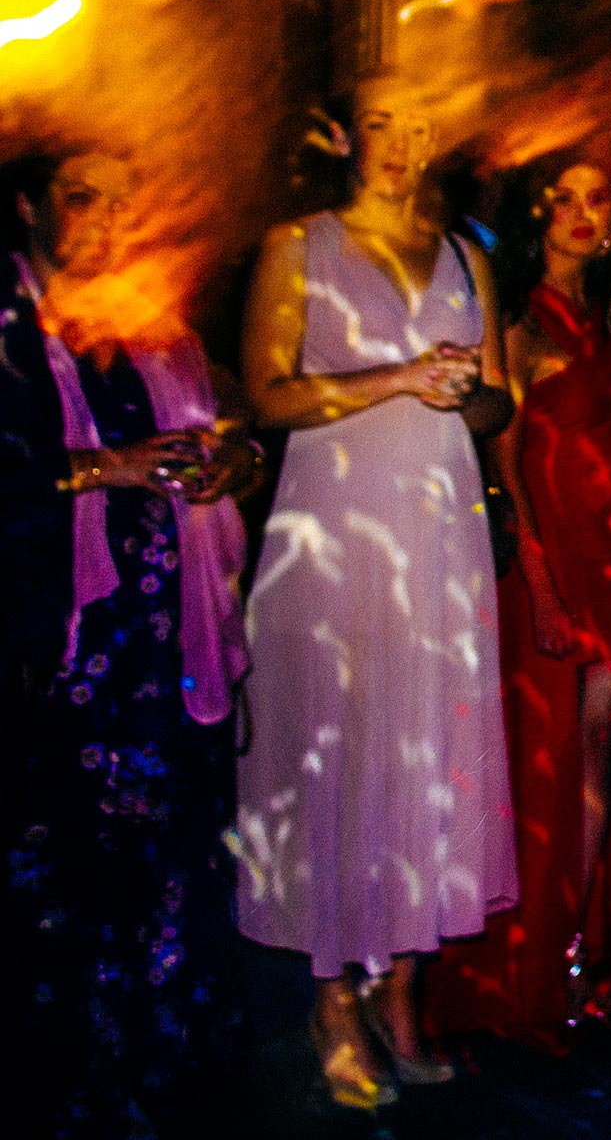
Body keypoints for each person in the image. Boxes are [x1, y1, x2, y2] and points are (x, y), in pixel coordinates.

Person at [229, 82, 517, 1109]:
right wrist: (398, 376)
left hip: (439, 537)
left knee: (425, 750)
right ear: (348, 137)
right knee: (340, 747)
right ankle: (330, 997)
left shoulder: (464, 252)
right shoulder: (296, 244)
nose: (403, 145)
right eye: (383, 125)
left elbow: (497, 402)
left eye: (420, 125)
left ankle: (401, 987)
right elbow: (264, 394)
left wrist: (461, 388)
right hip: (335, 539)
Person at [1, 151, 261, 1137]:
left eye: (123, 198)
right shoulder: (16, 334)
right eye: (81, 196)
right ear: (29, 207)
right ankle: (68, 1094)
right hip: (60, 655)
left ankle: (169, 1083)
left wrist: (234, 455)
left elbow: (236, 423)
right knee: (66, 880)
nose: (107, 217)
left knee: (176, 864)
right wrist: (107, 467)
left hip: (167, 652)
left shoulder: (153, 319)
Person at [428, 158, 611, 1047]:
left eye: (596, 198)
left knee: (605, 751)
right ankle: (541, 956)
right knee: (553, 758)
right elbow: (506, 458)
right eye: (560, 199)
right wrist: (535, 577)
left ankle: (584, 940)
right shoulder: (519, 318)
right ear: (537, 216)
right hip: (554, 550)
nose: (579, 213)